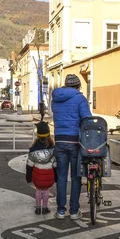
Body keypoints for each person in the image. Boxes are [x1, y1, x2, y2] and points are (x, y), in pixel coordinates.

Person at [51, 74, 92, 220]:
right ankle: (74, 211)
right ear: (78, 86)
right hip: (75, 142)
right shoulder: (80, 98)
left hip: (60, 141)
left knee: (61, 177)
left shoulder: (55, 98)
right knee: (76, 176)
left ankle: (60, 211)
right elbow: (87, 119)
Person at [26, 122, 57, 215]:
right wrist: (56, 177)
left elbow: (29, 165)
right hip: (49, 175)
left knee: (38, 190)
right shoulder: (52, 149)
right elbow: (55, 164)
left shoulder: (33, 149)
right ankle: (45, 208)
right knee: (46, 191)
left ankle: (38, 208)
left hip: (37, 176)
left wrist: (28, 177)